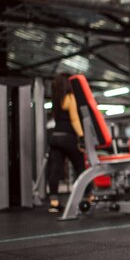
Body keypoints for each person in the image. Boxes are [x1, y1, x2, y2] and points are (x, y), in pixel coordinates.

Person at [47, 73, 85, 213]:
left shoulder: (56, 100)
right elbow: (74, 119)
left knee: (55, 169)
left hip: (55, 137)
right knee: (80, 167)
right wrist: (82, 136)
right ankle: (89, 197)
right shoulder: (70, 97)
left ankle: (54, 203)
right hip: (68, 137)